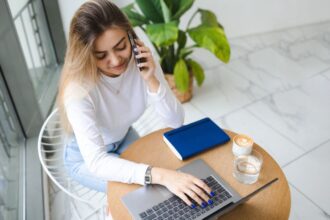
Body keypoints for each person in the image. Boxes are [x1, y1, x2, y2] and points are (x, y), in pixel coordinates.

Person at [57, 0, 213, 209]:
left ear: (130, 35)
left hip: (123, 137)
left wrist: (152, 79)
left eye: (120, 46)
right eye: (101, 56)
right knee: (144, 190)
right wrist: (158, 175)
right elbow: (97, 161)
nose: (115, 61)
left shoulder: (141, 59)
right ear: (86, 55)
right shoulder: (78, 90)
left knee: (167, 178)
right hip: (85, 159)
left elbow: (176, 122)